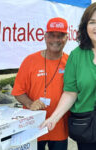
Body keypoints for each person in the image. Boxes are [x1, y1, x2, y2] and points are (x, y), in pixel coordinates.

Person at [41, 3, 96, 150]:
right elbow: (71, 92)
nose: (95, 26)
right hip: (87, 126)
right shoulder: (76, 56)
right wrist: (54, 118)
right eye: (92, 22)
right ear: (85, 26)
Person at [12, 17, 69, 150]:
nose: (56, 40)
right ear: (45, 37)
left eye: (60, 36)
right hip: (33, 127)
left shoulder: (70, 62)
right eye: (51, 35)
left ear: (67, 38)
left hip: (59, 127)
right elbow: (18, 92)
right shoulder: (30, 61)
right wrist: (30, 103)